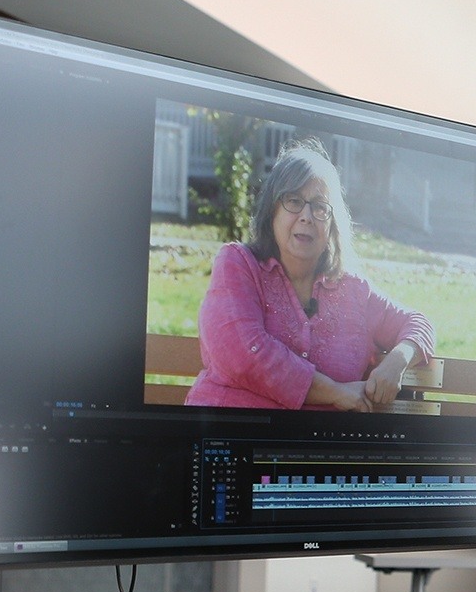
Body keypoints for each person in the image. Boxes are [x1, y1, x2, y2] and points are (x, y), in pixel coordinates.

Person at [186, 141, 435, 411]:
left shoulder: (352, 290)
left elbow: (417, 322)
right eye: (293, 201)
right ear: (272, 211)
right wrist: (335, 392)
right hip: (233, 436)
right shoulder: (238, 264)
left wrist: (397, 360)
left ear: (332, 223)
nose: (306, 216)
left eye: (319, 207)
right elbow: (241, 354)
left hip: (315, 450)